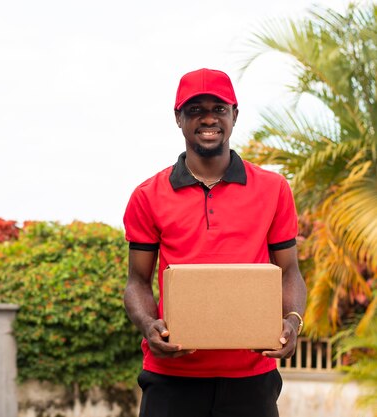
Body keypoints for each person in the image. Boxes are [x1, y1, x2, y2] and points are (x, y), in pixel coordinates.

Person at [123, 68, 307, 417]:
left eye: (219, 109)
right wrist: (149, 326)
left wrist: (293, 322)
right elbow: (136, 282)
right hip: (172, 377)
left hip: (252, 377)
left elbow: (290, 272)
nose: (208, 118)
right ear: (178, 118)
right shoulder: (147, 196)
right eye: (195, 110)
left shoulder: (273, 189)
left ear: (234, 115)